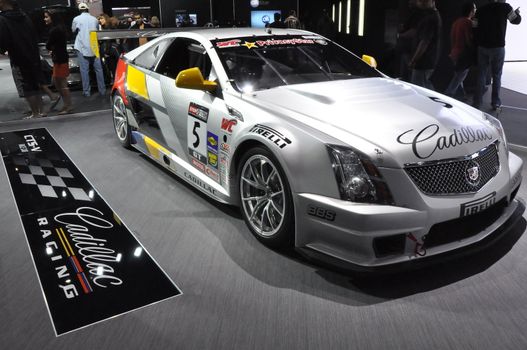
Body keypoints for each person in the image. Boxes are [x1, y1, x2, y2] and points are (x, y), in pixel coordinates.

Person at [472, 0, 521, 110]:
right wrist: (517, 14)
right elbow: (516, 21)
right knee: (497, 75)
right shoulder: (505, 7)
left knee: (481, 74)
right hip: (498, 47)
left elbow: (474, 27)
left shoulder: (480, 10)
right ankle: (495, 102)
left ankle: (477, 102)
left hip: (482, 47)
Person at [0, 0, 45, 118]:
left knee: (25, 85)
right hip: (33, 54)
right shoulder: (24, 16)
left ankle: (35, 113)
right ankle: (40, 112)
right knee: (34, 83)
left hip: (18, 57)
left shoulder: (3, 19)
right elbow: (34, 35)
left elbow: (3, 40)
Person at [72, 2, 106, 97]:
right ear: (87, 9)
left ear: (79, 10)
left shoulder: (76, 19)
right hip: (94, 46)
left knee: (84, 71)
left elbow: (73, 30)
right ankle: (102, 90)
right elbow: (97, 31)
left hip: (81, 47)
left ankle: (87, 92)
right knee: (99, 70)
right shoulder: (94, 19)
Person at [444, 2, 477, 100]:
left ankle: (462, 96)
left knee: (459, 76)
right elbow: (468, 40)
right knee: (459, 77)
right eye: (474, 8)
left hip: (454, 52)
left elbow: (451, 37)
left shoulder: (457, 22)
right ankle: (447, 94)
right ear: (471, 11)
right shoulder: (468, 22)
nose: (476, 10)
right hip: (463, 54)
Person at [408, 0, 442, 90]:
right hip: (426, 60)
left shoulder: (431, 19)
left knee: (419, 90)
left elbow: (424, 42)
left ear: (433, 1)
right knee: (424, 87)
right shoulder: (432, 16)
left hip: (423, 62)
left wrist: (413, 60)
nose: (421, 2)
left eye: (425, 1)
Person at [44, 9, 73, 115]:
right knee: (57, 82)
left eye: (47, 17)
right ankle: (66, 104)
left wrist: (51, 48)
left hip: (60, 60)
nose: (45, 19)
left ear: (53, 18)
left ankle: (68, 105)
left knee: (61, 83)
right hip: (60, 59)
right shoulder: (60, 29)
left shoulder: (55, 30)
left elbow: (48, 44)